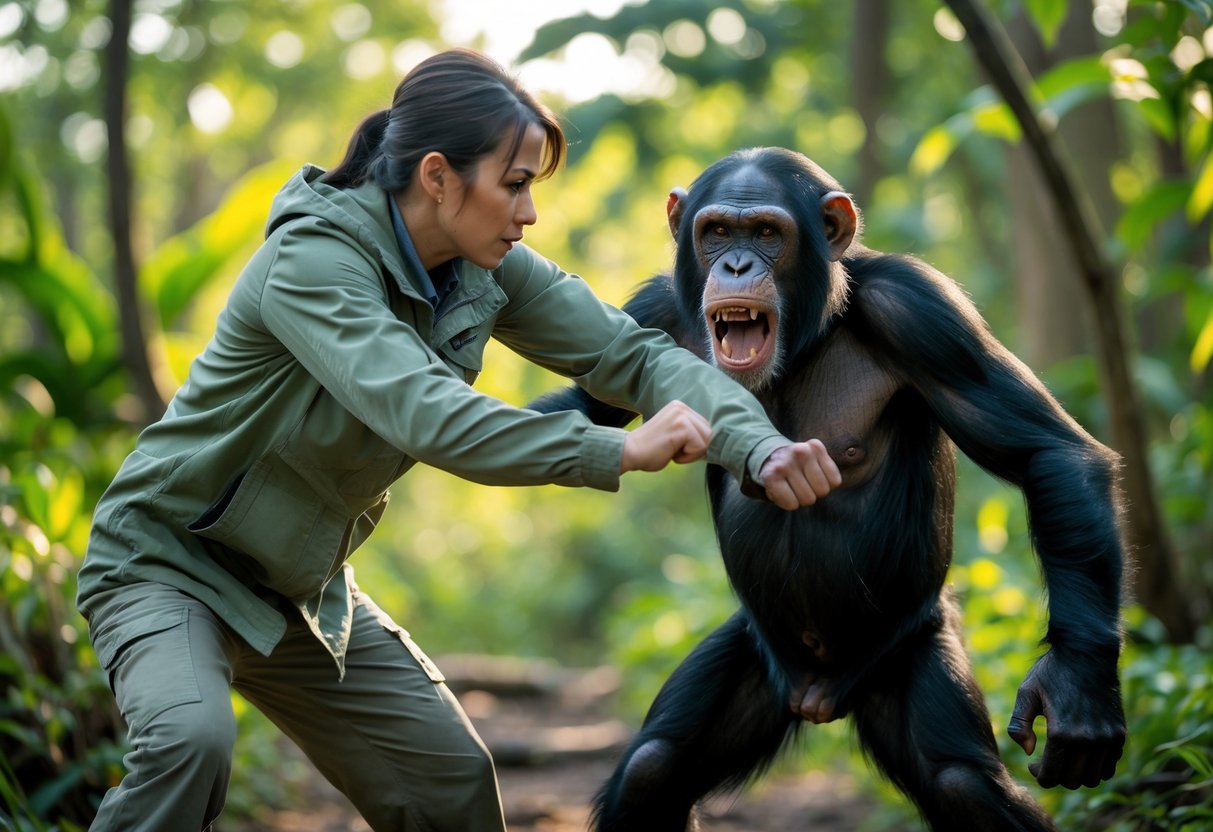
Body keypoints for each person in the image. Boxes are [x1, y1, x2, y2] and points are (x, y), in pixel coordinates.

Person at [77, 48, 841, 832]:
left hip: (299, 589)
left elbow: (632, 354)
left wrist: (760, 447)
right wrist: (614, 450)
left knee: (450, 783)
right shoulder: (311, 260)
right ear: (438, 177)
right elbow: (426, 413)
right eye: (514, 185)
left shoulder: (482, 265)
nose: (529, 212)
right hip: (166, 564)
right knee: (188, 741)